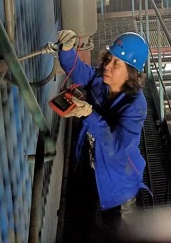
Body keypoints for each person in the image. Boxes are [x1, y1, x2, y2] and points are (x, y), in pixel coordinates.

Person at [56, 29, 149, 241]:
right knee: (84, 230)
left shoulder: (136, 105)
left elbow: (116, 145)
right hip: (91, 172)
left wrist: (89, 114)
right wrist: (67, 50)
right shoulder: (101, 81)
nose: (107, 66)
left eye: (116, 63)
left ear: (131, 71)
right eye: (109, 58)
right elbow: (79, 71)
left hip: (118, 190)